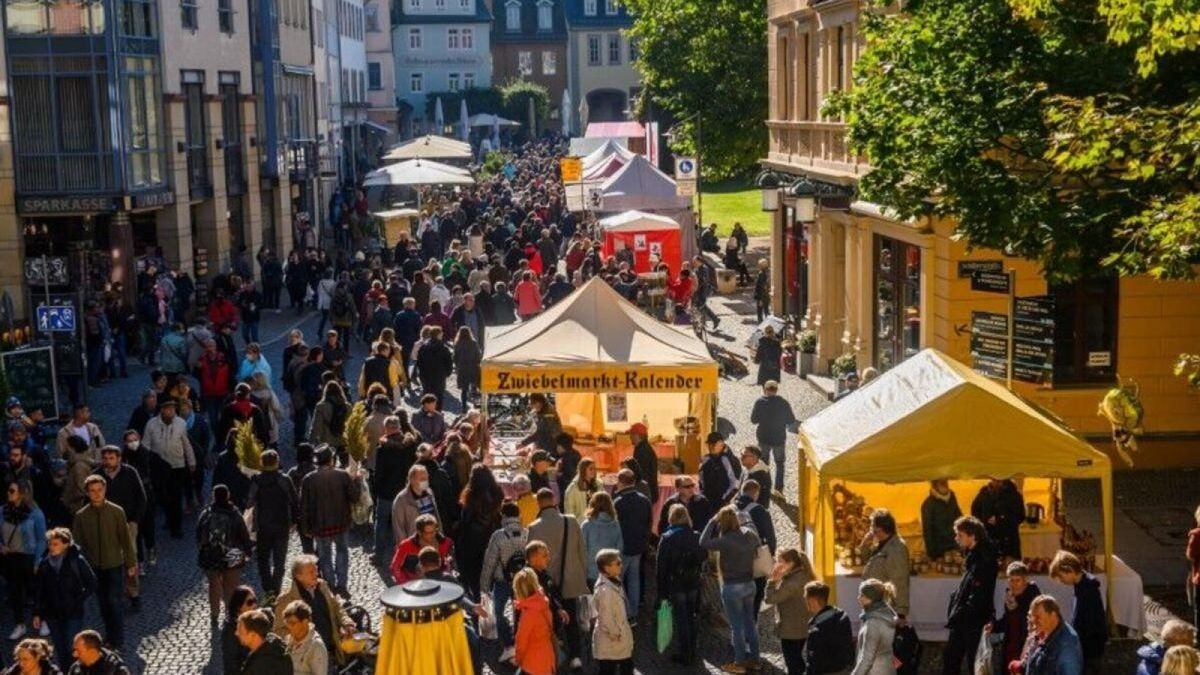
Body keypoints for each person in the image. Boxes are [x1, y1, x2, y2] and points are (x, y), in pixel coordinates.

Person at [71, 477, 137, 651]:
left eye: (99, 490)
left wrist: (131, 562)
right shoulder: (81, 516)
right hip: (94, 568)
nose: (96, 494)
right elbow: (77, 545)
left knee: (114, 601)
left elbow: (125, 539)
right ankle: (109, 636)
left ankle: (118, 639)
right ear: (87, 493)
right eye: (92, 491)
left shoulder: (116, 511)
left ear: (105, 489)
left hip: (114, 564)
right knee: (103, 603)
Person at [527, 488, 588, 669]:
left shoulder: (534, 527)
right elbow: (582, 552)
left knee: (549, 620)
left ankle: (553, 654)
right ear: (554, 500)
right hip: (570, 580)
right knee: (572, 620)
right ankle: (576, 656)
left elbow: (530, 559)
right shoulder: (571, 522)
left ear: (538, 502)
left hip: (547, 584)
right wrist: (581, 576)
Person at [700, 506, 762, 673]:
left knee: (736, 627)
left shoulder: (725, 540)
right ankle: (755, 660)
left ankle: (739, 663)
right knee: (750, 623)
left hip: (732, 586)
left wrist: (711, 521)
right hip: (750, 584)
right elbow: (758, 544)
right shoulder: (749, 534)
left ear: (722, 523)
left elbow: (703, 542)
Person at [299, 447, 361, 596]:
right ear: (331, 459)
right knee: (342, 552)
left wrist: (305, 527)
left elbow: (304, 507)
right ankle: (342, 584)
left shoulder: (308, 479)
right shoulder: (342, 475)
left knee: (324, 555)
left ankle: (331, 585)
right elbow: (355, 497)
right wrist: (357, 481)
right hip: (341, 522)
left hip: (320, 526)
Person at [272, 555, 355, 666]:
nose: (316, 574)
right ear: (299, 576)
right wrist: (300, 639)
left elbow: (336, 606)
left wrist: (346, 622)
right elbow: (279, 631)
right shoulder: (286, 600)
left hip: (331, 647)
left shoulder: (322, 585)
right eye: (311, 572)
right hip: (309, 657)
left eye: (316, 570)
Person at [942, 516, 997, 675]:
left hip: (972, 619)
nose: (956, 538)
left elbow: (979, 593)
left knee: (972, 662)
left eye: (960, 535)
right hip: (966, 617)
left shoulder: (983, 559)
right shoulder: (974, 556)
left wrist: (962, 611)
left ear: (972, 536)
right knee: (952, 659)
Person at [32, 529, 95, 669]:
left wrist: (78, 600)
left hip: (73, 613)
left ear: (66, 545)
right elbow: (39, 590)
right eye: (50, 544)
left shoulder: (77, 561)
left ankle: (76, 671)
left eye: (55, 544)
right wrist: (37, 613)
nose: (51, 547)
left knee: (70, 647)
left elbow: (91, 583)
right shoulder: (45, 563)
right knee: (60, 649)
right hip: (52, 614)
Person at [91, 447, 144, 610]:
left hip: (128, 523)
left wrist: (135, 520)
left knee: (130, 559)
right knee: (109, 560)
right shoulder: (96, 476)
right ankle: (115, 595)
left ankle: (134, 594)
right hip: (105, 525)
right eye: (105, 458)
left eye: (111, 458)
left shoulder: (130, 473)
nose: (107, 461)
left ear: (119, 458)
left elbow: (141, 497)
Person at [655, 504, 705, 666]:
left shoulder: (667, 538)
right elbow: (703, 556)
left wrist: (661, 592)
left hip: (676, 584)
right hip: (693, 583)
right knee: (691, 617)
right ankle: (692, 649)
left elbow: (661, 567)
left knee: (682, 619)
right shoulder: (696, 535)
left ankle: (686, 653)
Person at [196, 484, 252, 626]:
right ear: (228, 496)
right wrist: (248, 550)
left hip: (211, 555)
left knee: (213, 585)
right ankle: (231, 613)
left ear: (213, 496)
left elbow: (198, 533)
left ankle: (214, 614)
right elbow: (244, 534)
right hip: (232, 554)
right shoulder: (234, 513)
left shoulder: (207, 513)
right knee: (231, 586)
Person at [480, 501, 528, 664]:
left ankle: (508, 646)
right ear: (518, 515)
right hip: (522, 580)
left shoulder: (498, 535)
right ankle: (521, 643)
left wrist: (484, 587)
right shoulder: (527, 533)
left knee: (499, 613)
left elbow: (489, 562)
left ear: (503, 516)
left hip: (502, 581)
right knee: (520, 612)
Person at [246, 450, 298, 600]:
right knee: (279, 560)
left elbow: (249, 502)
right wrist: (294, 520)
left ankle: (267, 587)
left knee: (263, 560)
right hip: (281, 525)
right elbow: (294, 501)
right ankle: (276, 588)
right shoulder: (284, 479)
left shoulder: (256, 481)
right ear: (276, 461)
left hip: (263, 526)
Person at [140, 399, 196, 538]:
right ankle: (169, 518)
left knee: (176, 496)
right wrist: (144, 463)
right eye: (168, 409)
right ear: (162, 410)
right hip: (158, 467)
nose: (172, 411)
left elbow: (186, 443)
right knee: (162, 497)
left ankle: (176, 527)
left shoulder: (181, 424)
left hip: (177, 465)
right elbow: (145, 445)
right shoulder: (151, 424)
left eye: (173, 409)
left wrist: (191, 461)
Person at [1, 482, 47, 640]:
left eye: (12, 491)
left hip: (29, 557)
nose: (8, 493)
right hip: (10, 558)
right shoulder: (3, 511)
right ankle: (20, 624)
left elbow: (42, 539)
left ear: (21, 493)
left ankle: (42, 620)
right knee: (16, 592)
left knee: (36, 591)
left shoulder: (35, 514)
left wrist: (37, 561)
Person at [1049, 550, 1107, 674]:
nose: (1061, 580)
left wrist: (1078, 644)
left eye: (1061, 576)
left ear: (1070, 570)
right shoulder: (1080, 584)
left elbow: (1092, 622)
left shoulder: (1088, 589)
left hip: (1091, 647)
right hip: (1086, 644)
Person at [454, 464, 505, 599]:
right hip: (492, 538)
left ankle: (478, 601)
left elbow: (465, 522)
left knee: (475, 576)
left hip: (473, 543)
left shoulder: (470, 495)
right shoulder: (497, 494)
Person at [763, 548, 816, 675]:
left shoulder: (792, 583)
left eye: (780, 561)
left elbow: (770, 599)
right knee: (797, 658)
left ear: (790, 563)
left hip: (792, 630)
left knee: (793, 662)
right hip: (802, 625)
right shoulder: (803, 574)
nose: (776, 564)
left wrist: (772, 582)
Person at [371, 416, 416, 561]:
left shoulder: (383, 448)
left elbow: (379, 473)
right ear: (399, 428)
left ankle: (379, 554)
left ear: (387, 429)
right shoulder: (410, 445)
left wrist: (376, 490)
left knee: (382, 522)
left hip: (386, 492)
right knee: (402, 524)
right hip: (405, 491)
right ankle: (401, 554)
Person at [858, 509, 910, 623]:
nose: (870, 529)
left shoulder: (896, 548)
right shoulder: (881, 544)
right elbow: (867, 560)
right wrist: (865, 545)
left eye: (872, 525)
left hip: (885, 607)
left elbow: (899, 581)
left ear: (880, 528)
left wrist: (901, 612)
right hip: (873, 603)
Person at [986, 561, 1042, 667]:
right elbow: (1008, 620)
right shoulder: (1010, 596)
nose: (1014, 584)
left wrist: (1016, 609)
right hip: (1011, 646)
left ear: (1025, 580)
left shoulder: (1034, 598)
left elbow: (1034, 625)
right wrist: (993, 626)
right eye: (1011, 580)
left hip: (1026, 648)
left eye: (1017, 580)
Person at [735, 480, 776, 619]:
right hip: (754, 559)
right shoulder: (760, 511)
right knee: (756, 592)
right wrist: (771, 556)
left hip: (734, 559)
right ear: (756, 493)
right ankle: (752, 622)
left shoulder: (730, 509)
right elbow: (770, 536)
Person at [591, 549, 634, 675]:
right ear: (607, 568)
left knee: (624, 667)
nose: (621, 564)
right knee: (611, 670)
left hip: (617, 641)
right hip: (612, 641)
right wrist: (617, 634)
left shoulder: (614, 582)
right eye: (617, 563)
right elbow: (606, 617)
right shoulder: (605, 591)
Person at [749, 380, 796, 494]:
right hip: (778, 438)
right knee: (779, 463)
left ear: (765, 390)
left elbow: (753, 420)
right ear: (776, 390)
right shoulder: (783, 403)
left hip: (763, 437)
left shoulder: (760, 402)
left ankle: (765, 486)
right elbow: (791, 420)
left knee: (764, 463)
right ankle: (778, 489)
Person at [1022, 595, 1084, 675]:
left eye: (1038, 617)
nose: (1034, 621)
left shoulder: (1067, 644)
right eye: (1033, 617)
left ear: (1053, 615)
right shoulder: (1045, 633)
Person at [804, 580, 855, 674]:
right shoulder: (842, 615)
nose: (805, 599)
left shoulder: (817, 628)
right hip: (843, 668)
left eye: (806, 597)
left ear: (813, 601)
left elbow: (814, 659)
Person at [512, 568, 556, 675]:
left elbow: (521, 641)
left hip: (532, 663)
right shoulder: (543, 603)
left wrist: (518, 659)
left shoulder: (528, 613)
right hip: (548, 657)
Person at [850, 578, 898, 675]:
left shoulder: (873, 622)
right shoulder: (884, 614)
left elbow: (867, 659)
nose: (858, 598)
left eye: (862, 595)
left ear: (871, 598)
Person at [970, 479, 1025, 560]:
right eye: (993, 479)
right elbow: (975, 513)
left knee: (1010, 568)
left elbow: (1020, 516)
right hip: (988, 540)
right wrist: (985, 520)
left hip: (1009, 542)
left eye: (998, 480)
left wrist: (1001, 519)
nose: (996, 482)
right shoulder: (983, 494)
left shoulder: (1014, 495)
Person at [581, 492, 624, 590]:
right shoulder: (615, 524)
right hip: (610, 571)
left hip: (591, 573)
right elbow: (620, 548)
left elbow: (582, 550)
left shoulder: (587, 525)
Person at [392, 463, 441, 542]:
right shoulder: (402, 499)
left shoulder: (430, 492)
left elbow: (436, 516)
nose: (426, 482)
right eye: (422, 479)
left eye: (427, 478)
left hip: (432, 541)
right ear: (412, 480)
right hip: (414, 543)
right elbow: (399, 528)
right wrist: (405, 547)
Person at [235, 610, 294, 675]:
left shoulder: (264, 664)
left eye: (240, 630)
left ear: (253, 635)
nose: (237, 633)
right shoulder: (275, 649)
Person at [281, 600, 328, 675]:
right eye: (287, 623)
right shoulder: (287, 640)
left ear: (305, 622)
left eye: (292, 623)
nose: (289, 627)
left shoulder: (316, 646)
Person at [920, 480, 962, 559]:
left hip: (955, 545)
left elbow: (960, 519)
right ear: (934, 485)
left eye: (945, 482)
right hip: (940, 550)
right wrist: (932, 554)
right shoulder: (928, 504)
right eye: (941, 482)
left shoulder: (952, 499)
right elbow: (927, 530)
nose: (945, 484)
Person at [221, 586, 258, 674]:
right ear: (238, 606)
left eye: (255, 600)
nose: (254, 605)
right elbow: (230, 663)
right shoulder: (231, 630)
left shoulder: (255, 622)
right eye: (250, 602)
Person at [308, 381, 350, 460]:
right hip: (344, 441)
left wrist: (311, 441)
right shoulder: (347, 407)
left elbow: (316, 426)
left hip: (328, 442)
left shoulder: (321, 407)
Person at [415, 326, 454, 408]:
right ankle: (437, 414)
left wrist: (421, 374)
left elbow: (419, 362)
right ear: (438, 335)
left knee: (427, 395)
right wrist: (446, 374)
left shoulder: (423, 347)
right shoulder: (443, 348)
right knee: (438, 396)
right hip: (439, 377)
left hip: (426, 376)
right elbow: (449, 363)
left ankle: (426, 412)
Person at [699, 432, 742, 506]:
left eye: (714, 444)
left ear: (721, 444)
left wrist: (725, 499)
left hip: (724, 502)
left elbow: (735, 482)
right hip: (709, 501)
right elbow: (701, 481)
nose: (711, 446)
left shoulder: (727, 459)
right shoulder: (706, 459)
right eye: (709, 444)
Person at [453, 327, 482, 409]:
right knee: (475, 386)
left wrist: (457, 365)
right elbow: (478, 355)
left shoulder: (457, 343)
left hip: (462, 368)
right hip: (473, 367)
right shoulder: (473, 343)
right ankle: (476, 404)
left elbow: (455, 357)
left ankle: (464, 406)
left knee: (464, 389)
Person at [562, 458, 599, 524]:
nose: (594, 471)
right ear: (583, 470)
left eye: (595, 469)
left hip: (596, 524)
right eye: (591, 469)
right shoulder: (573, 488)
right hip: (580, 525)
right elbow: (569, 512)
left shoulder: (599, 485)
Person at [628, 423, 658, 499]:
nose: (630, 437)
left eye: (631, 434)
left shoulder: (642, 450)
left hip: (645, 492)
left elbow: (640, 473)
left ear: (637, 435)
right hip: (646, 490)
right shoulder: (641, 447)